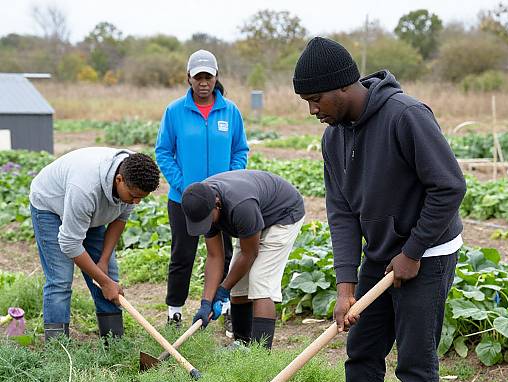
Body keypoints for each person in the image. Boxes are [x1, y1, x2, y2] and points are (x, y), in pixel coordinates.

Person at [293, 37, 466, 382]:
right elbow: (342, 213)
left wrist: (413, 252)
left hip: (427, 255)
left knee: (415, 363)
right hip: (381, 254)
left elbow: (449, 186)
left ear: (342, 88)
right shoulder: (333, 137)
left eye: (315, 100)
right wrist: (346, 286)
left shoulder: (406, 116)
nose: (312, 110)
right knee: (363, 350)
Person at [155, 49, 249, 335]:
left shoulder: (230, 111)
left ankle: (227, 307)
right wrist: (184, 186)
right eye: (198, 77)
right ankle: (174, 310)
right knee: (182, 254)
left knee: (226, 252)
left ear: (216, 77)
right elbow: (164, 152)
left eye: (208, 76)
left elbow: (240, 150)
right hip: (183, 200)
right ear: (189, 78)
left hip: (222, 201)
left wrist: (229, 181)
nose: (204, 82)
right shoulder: (174, 112)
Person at [29, 147, 160, 342]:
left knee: (107, 275)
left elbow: (120, 219)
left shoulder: (136, 174)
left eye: (142, 197)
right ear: (119, 180)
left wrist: (104, 263)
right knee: (61, 280)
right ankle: (57, 347)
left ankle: (114, 343)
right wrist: (105, 283)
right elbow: (70, 243)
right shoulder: (85, 188)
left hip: (88, 212)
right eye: (133, 196)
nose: (137, 202)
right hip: (51, 206)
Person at [180, 170, 305, 349]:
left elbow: (250, 254)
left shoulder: (240, 206)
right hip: (254, 217)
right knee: (239, 288)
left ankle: (260, 357)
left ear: (217, 205)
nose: (205, 226)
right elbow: (215, 256)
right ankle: (242, 345)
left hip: (283, 214)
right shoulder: (201, 202)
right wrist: (206, 302)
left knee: (260, 282)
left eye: (206, 221)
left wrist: (223, 290)